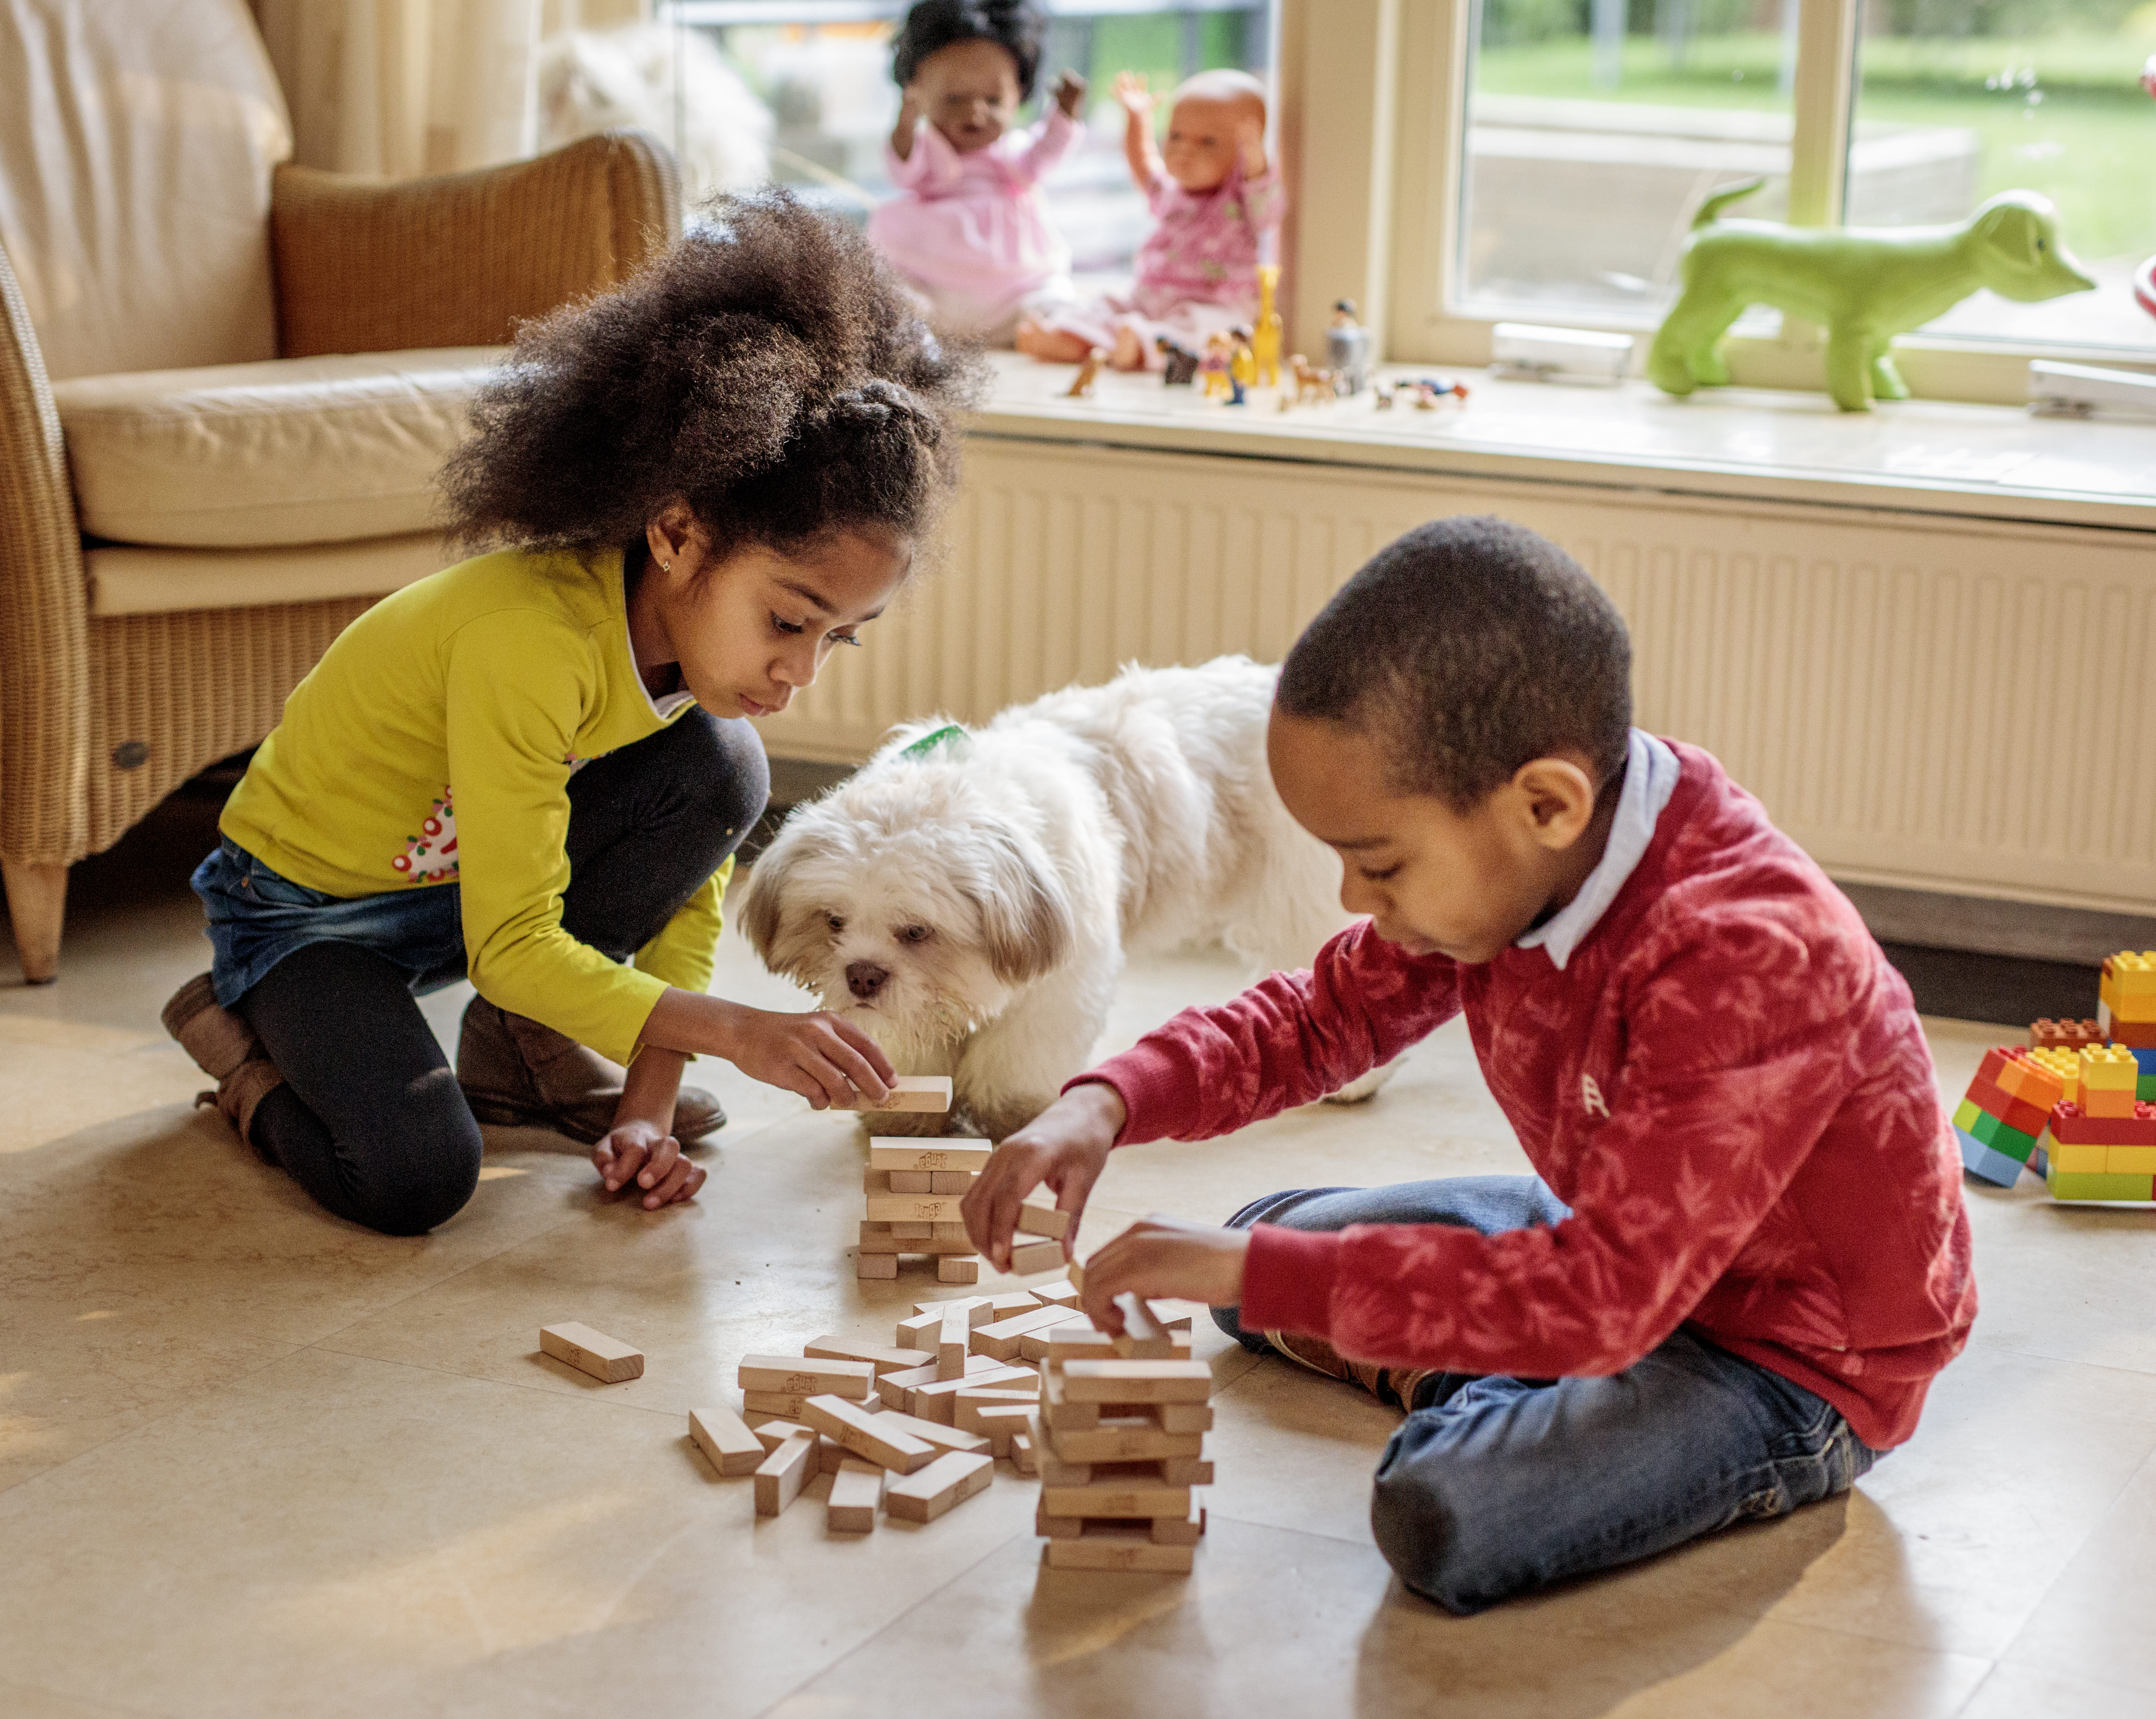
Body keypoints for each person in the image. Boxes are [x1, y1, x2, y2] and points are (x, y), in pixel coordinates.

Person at [962, 515, 1974, 1614]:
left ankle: (1500, 1368)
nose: (1354, 899)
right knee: (1265, 1249)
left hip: (1784, 1354)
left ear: (1546, 803)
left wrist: (1276, 1275)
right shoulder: (1524, 863)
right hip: (1616, 1238)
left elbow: (1608, 1299)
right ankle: (1500, 1346)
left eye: (1378, 861)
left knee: (1442, 1508)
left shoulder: (1748, 954)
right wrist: (1108, 1101)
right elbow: (1319, 1016)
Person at [159, 192, 984, 1237]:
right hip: (307, 912)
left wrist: (648, 1116)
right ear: (679, 531)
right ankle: (236, 1047)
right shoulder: (531, 643)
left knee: (727, 773)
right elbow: (509, 944)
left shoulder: (694, 666)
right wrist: (737, 1031)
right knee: (415, 1175)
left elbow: (683, 908)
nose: (802, 671)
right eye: (789, 619)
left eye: (840, 635)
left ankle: (521, 1054)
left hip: (462, 886)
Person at [1016, 68, 1281, 370]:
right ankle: (1069, 338)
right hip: (1148, 298)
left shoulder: (1241, 201)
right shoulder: (1171, 193)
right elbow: (1142, 162)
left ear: (1246, 149)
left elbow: (1269, 210)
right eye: (1176, 136)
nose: (1184, 150)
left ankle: (1141, 349)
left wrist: (1256, 160)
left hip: (1210, 303)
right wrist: (1137, 120)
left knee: (1210, 332)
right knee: (1105, 306)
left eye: (1208, 142)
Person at [871, 0, 1085, 342]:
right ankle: (920, 341)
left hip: (1014, 280)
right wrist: (905, 124)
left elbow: (1046, 153)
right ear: (917, 91)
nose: (975, 112)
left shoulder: (1013, 155)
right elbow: (902, 168)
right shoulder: (927, 151)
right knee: (897, 299)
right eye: (953, 99)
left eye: (994, 100)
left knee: (1054, 298)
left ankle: (1046, 335)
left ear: (1020, 93)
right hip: (933, 271)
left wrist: (1064, 115)